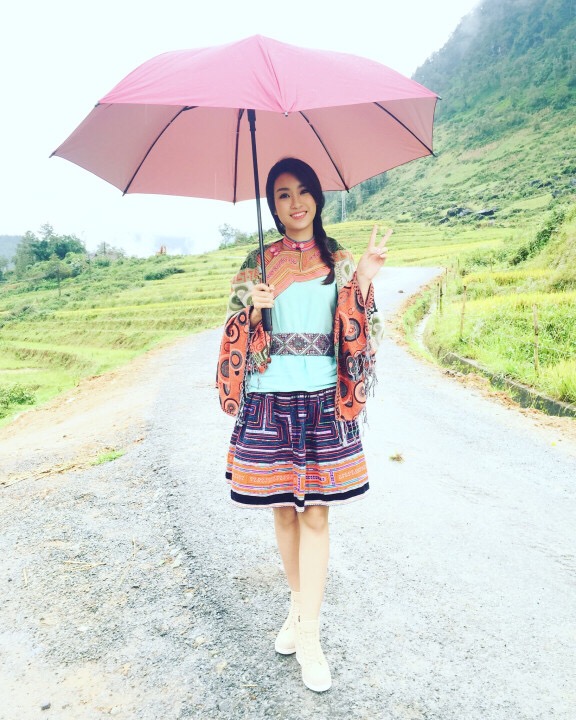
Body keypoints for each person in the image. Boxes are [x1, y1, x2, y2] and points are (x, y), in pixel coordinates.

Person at [216, 157, 390, 692]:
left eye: (303, 191)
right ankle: (297, 608)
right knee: (283, 513)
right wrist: (253, 309)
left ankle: (309, 635)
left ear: (317, 196)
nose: (296, 203)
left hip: (322, 401)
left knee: (315, 515)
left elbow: (367, 330)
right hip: (269, 399)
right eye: (283, 194)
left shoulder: (338, 259)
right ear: (273, 206)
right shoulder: (257, 262)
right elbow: (232, 333)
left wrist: (363, 279)